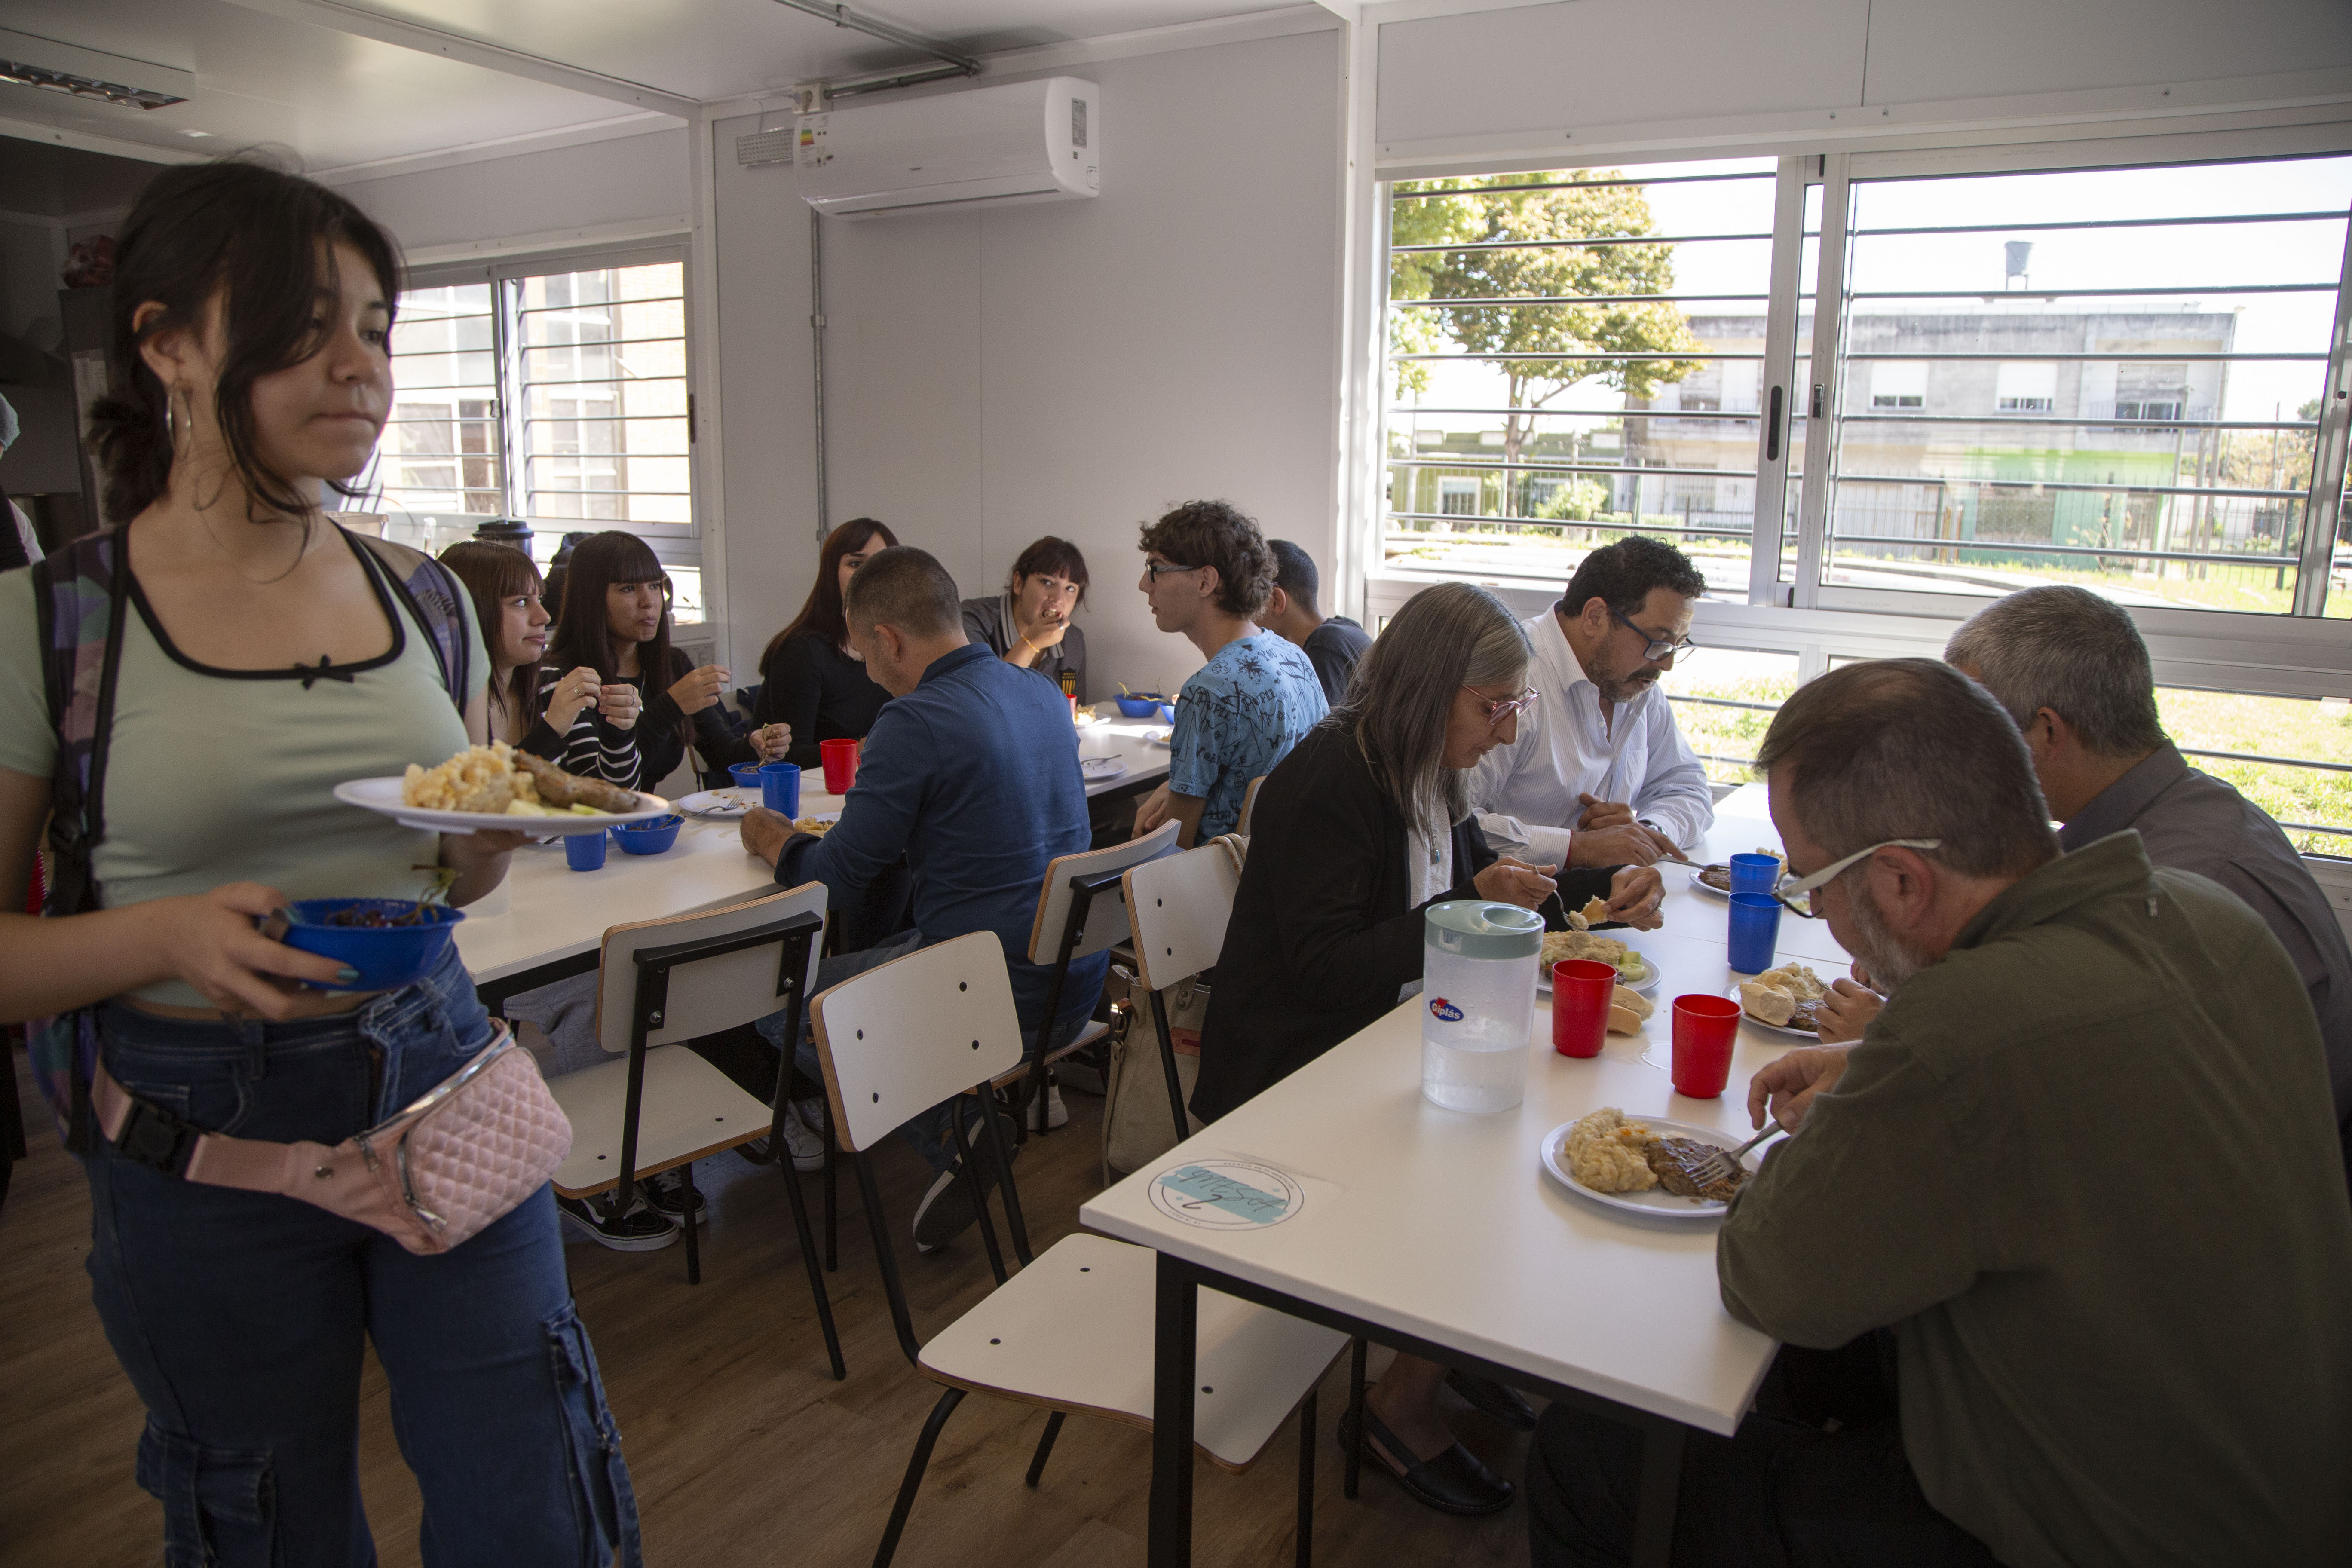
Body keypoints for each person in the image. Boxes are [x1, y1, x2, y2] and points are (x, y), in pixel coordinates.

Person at [0, 159, 638, 1565]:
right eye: (304, 326)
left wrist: (482, 847)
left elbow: (456, 878)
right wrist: (164, 934)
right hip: (197, 1129)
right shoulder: (54, 620)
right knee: (266, 1517)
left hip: (439, 1071)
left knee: (538, 1498)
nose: (361, 368)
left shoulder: (426, 599)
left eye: (377, 329)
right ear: (168, 343)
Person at [1527, 658, 2352, 1568]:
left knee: (1593, 1453)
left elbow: (1767, 1278)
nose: (1819, 913)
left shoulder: (1961, 1029)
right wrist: (1877, 1062)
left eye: (1816, 885)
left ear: (1900, 882)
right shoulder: (2210, 914)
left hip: (2093, 1533)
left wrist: (1881, 1087)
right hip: (2280, 1490)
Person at [1196, 582, 1665, 1518]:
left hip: (1375, 1038)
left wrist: (1599, 892)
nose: (1507, 731)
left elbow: (1477, 883)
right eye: (1494, 708)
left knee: (1522, 1118)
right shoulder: (1330, 780)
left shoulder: (1426, 767)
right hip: (1288, 1074)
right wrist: (1464, 908)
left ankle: (1452, 1348)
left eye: (1516, 705)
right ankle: (1399, 1402)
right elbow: (1327, 969)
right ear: (1427, 690)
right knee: (1497, 1165)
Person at [738, 547, 1101, 1252]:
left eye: (862, 653)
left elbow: (834, 880)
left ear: (888, 639)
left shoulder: (916, 719)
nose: (866, 671)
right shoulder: (1040, 692)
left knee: (779, 1005)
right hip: (1070, 980)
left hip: (994, 997)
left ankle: (950, 1127)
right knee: (890, 947)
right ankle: (953, 1114)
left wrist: (771, 839)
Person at [1470, 536, 1714, 871]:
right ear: (1595, 617)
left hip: (1609, 894)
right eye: (1658, 642)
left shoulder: (1634, 682)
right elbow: (1451, 824)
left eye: (1677, 646)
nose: (1666, 664)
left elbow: (1687, 787)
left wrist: (1647, 833)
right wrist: (1575, 848)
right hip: (1509, 900)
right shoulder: (1511, 677)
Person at [1131, 500, 1326, 847]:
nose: (1144, 584)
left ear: (1205, 581)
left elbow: (1178, 845)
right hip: (1286, 865)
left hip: (1222, 877)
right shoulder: (1294, 657)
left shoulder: (1209, 690)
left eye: (1156, 569)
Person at [535, 530, 782, 792]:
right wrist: (669, 708)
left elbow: (722, 756)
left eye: (654, 586)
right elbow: (599, 790)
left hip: (654, 816)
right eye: (629, 589)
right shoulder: (564, 678)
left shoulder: (673, 664)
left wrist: (755, 745)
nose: (649, 602)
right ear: (590, 599)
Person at [754, 517, 897, 772]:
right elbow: (788, 757)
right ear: (831, 574)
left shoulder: (893, 644)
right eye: (856, 564)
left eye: (881, 565)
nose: (869, 575)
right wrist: (860, 748)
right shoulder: (801, 651)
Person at [438, 539, 554, 747]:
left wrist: (614, 733)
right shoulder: (439, 712)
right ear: (472, 610)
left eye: (540, 599)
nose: (544, 617)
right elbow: (482, 771)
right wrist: (550, 732)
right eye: (521, 602)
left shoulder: (550, 686)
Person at [961, 534, 1090, 703]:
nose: (1059, 599)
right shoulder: (973, 620)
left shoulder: (1073, 640)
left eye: (1070, 588)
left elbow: (1076, 713)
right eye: (1047, 582)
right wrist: (1030, 643)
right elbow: (980, 704)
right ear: (1019, 583)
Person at [1262, 538, 1371, 707]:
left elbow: (1324, 724)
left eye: (1251, 599)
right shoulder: (1347, 629)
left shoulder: (1324, 648)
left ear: (1276, 600)